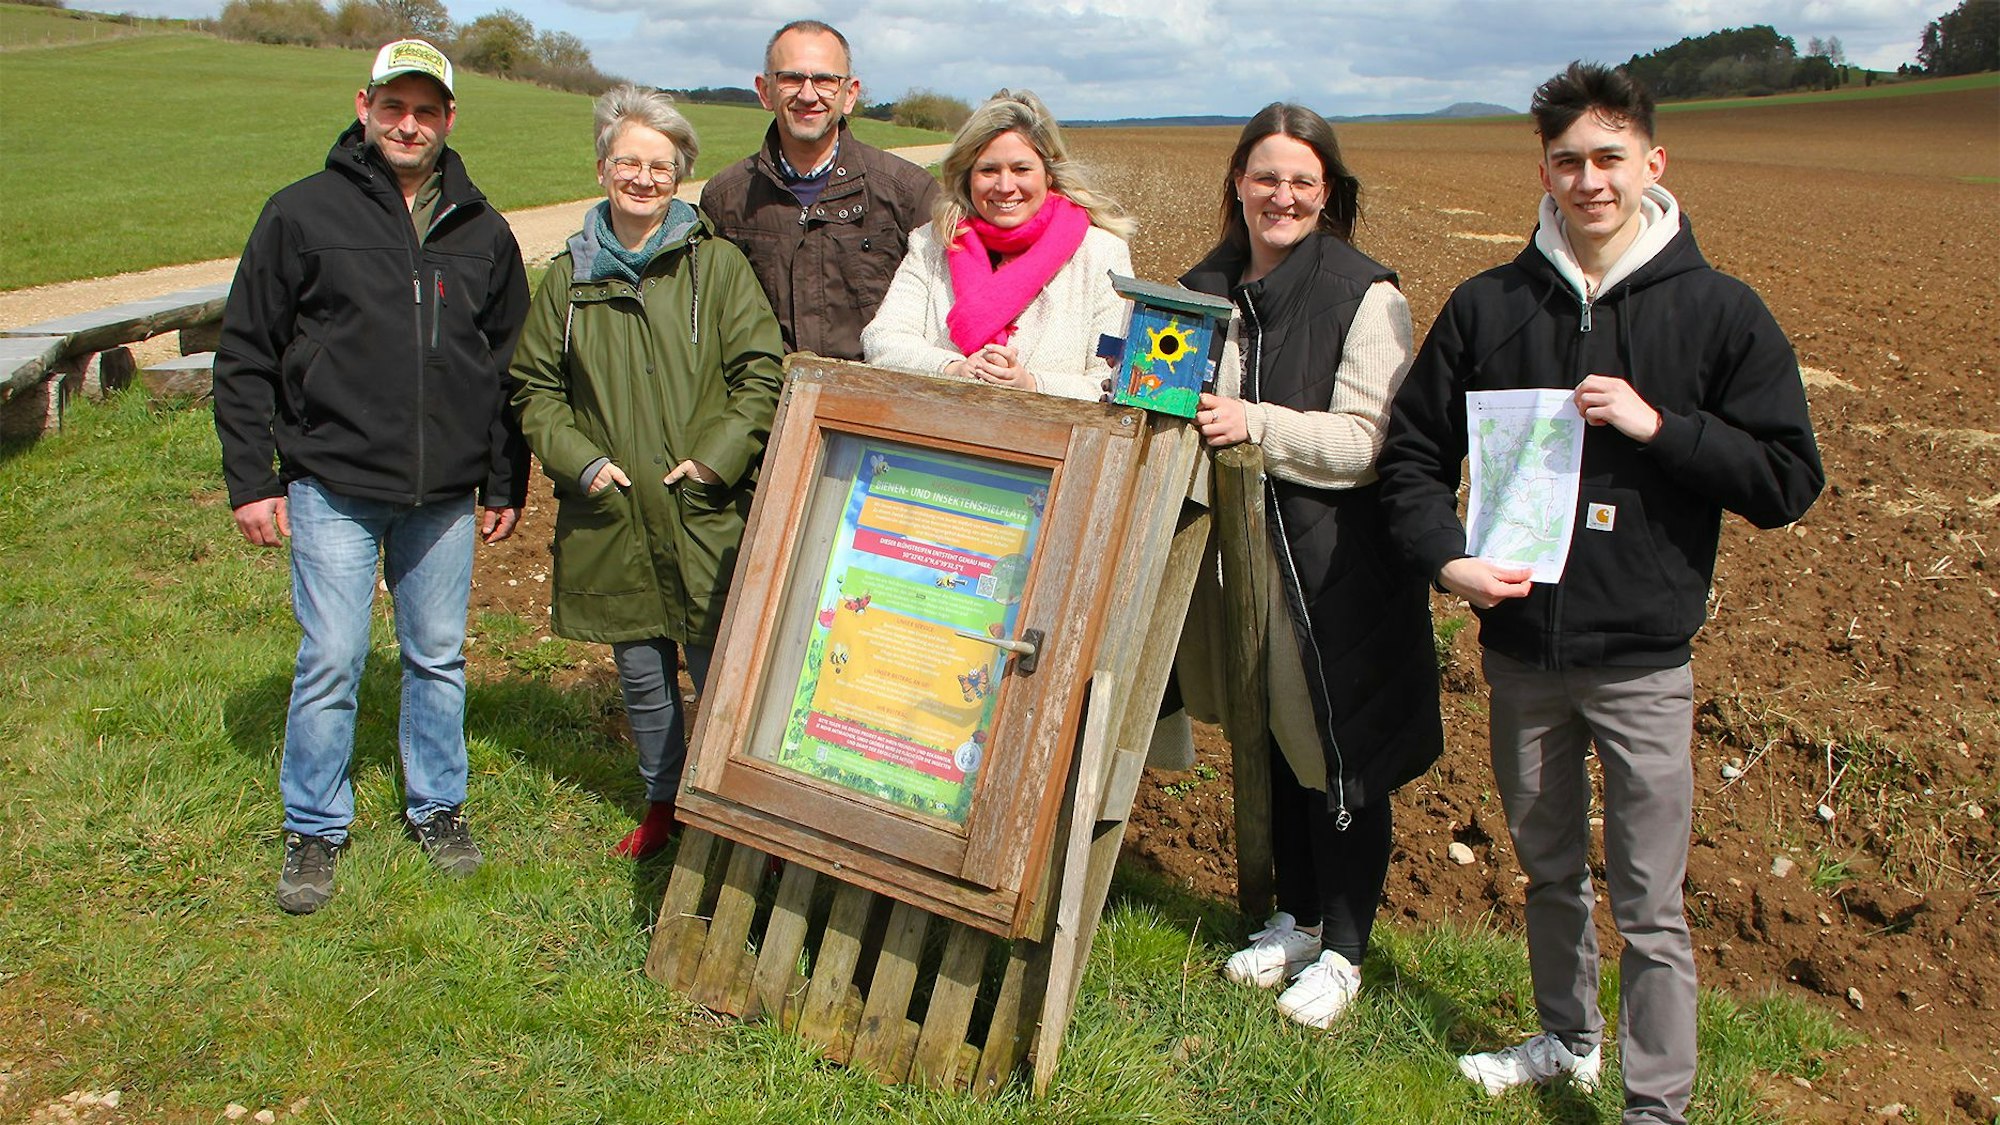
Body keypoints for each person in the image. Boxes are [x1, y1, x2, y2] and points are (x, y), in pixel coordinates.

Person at [1376, 63, 1823, 1122]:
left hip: (1641, 663)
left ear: (1651, 164)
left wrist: (1660, 427)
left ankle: (1652, 1104)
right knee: (1545, 872)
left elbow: (1786, 480)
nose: (1588, 181)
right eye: (1568, 161)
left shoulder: (1718, 313)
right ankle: (1563, 1037)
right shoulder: (1488, 307)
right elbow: (1408, 460)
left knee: (1650, 902)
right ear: (1543, 169)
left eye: (1609, 159)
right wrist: (1448, 559)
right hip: (1520, 652)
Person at [213, 39, 530, 915]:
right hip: (333, 483)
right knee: (333, 657)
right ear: (365, 106)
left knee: (436, 657)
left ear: (450, 119)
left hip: (443, 497)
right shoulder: (303, 214)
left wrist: (505, 479)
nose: (409, 124)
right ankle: (314, 824)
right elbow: (245, 354)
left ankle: (437, 806)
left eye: (427, 110)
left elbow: (509, 370)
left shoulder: (483, 230)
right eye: (394, 106)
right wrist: (251, 478)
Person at [1169, 104, 1443, 1030]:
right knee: (1275, 741)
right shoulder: (1202, 286)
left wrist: (1258, 424)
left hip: (1333, 573)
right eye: (1265, 176)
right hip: (1234, 561)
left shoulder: (1366, 294)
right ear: (1237, 183)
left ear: (1328, 193)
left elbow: (1371, 440)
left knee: (1338, 755)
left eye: (1302, 181)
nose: (1281, 195)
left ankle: (1345, 949)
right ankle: (1296, 914)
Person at [510, 86, 786, 861]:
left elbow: (761, 371)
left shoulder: (716, 268)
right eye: (628, 160)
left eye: (660, 164)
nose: (643, 176)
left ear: (680, 175)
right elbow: (533, 386)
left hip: (704, 508)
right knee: (641, 675)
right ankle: (663, 802)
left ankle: (730, 810)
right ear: (602, 168)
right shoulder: (566, 280)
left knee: (722, 666)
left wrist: (717, 459)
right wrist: (582, 462)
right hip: (615, 514)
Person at [861, 89, 1134, 400]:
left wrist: (1031, 385)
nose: (1005, 187)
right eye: (988, 170)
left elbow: (1114, 379)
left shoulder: (1101, 254)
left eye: (1021, 169)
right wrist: (952, 369)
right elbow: (882, 340)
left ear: (1048, 174)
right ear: (967, 176)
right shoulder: (932, 243)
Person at [699, 20, 940, 360]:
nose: (808, 95)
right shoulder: (725, 199)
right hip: (769, 402)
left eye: (825, 80)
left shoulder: (910, 193)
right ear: (765, 90)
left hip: (876, 403)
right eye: (792, 78)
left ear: (850, 93)